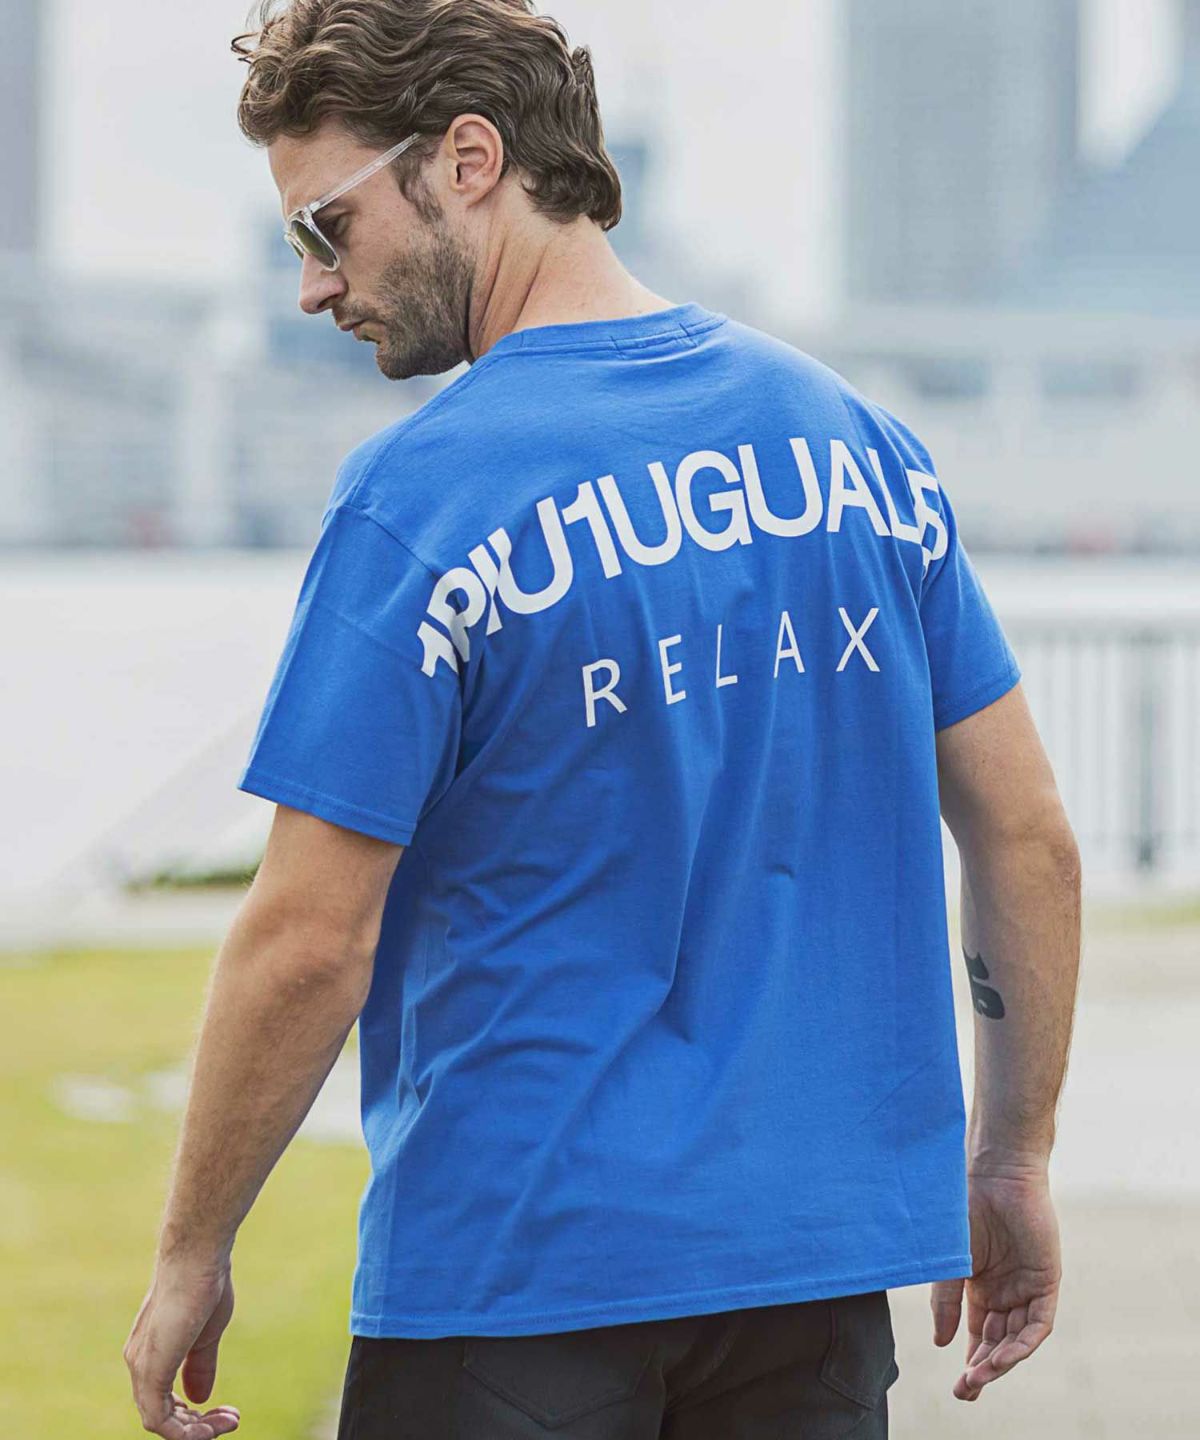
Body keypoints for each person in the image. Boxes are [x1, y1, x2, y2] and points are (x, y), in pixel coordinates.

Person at [121, 2, 1083, 1437]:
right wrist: (1013, 1157)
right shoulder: (859, 452)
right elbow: (1026, 836)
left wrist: (191, 1250)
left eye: (327, 226)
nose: (314, 286)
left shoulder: (424, 501)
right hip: (811, 1283)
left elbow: (311, 938)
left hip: (515, 1275)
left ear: (467, 160)